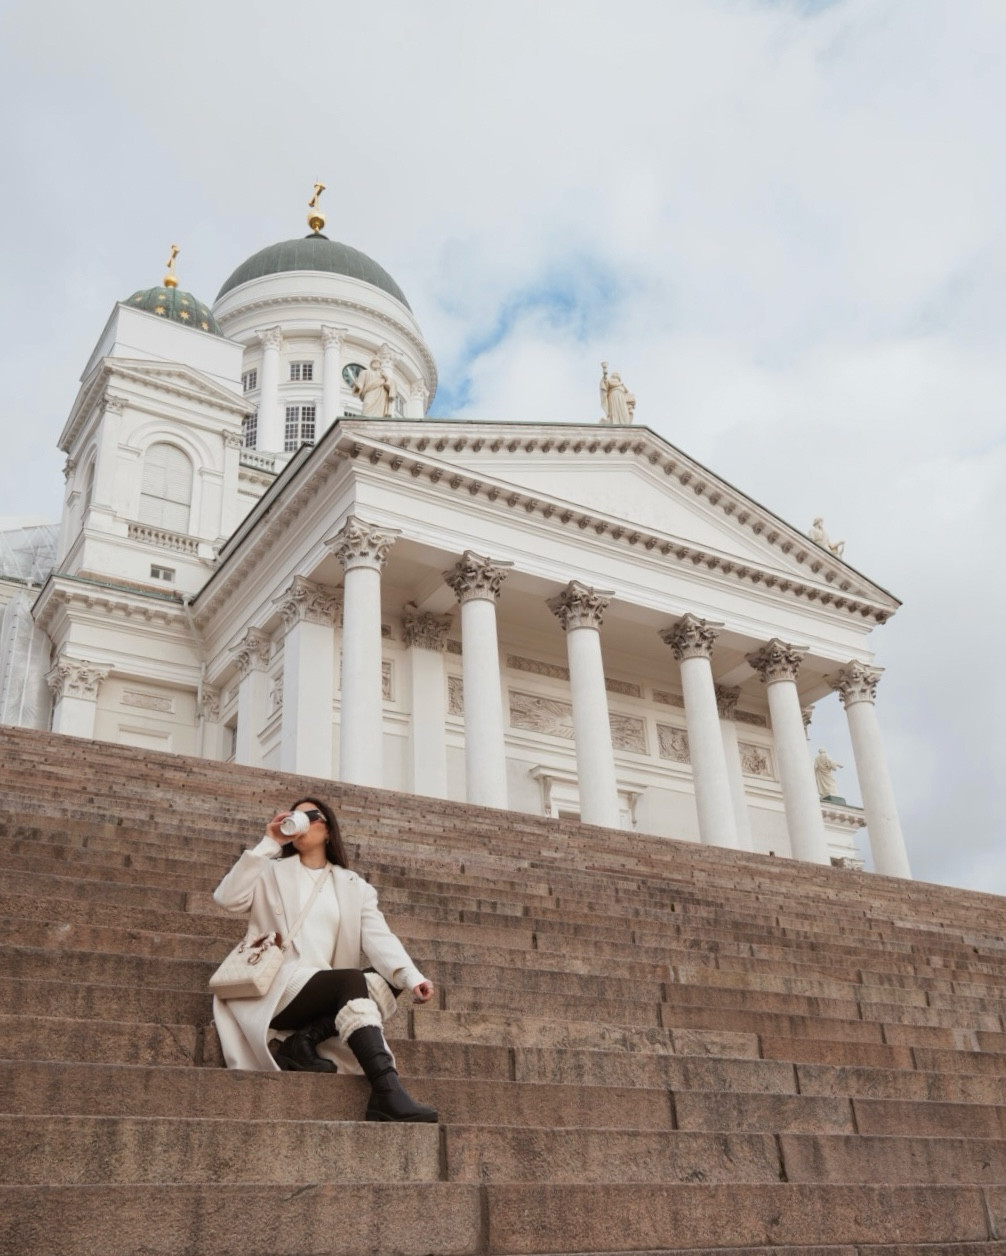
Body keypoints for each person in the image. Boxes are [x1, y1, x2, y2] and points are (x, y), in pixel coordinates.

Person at [211, 797, 437, 1123]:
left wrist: (413, 977)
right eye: (294, 816)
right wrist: (270, 843)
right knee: (350, 980)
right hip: (275, 986)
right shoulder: (271, 870)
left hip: (322, 988)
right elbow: (226, 899)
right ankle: (387, 1090)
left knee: (388, 978)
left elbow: (379, 939)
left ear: (328, 828)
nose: (300, 821)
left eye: (310, 816)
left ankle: (305, 1040)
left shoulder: (352, 886)